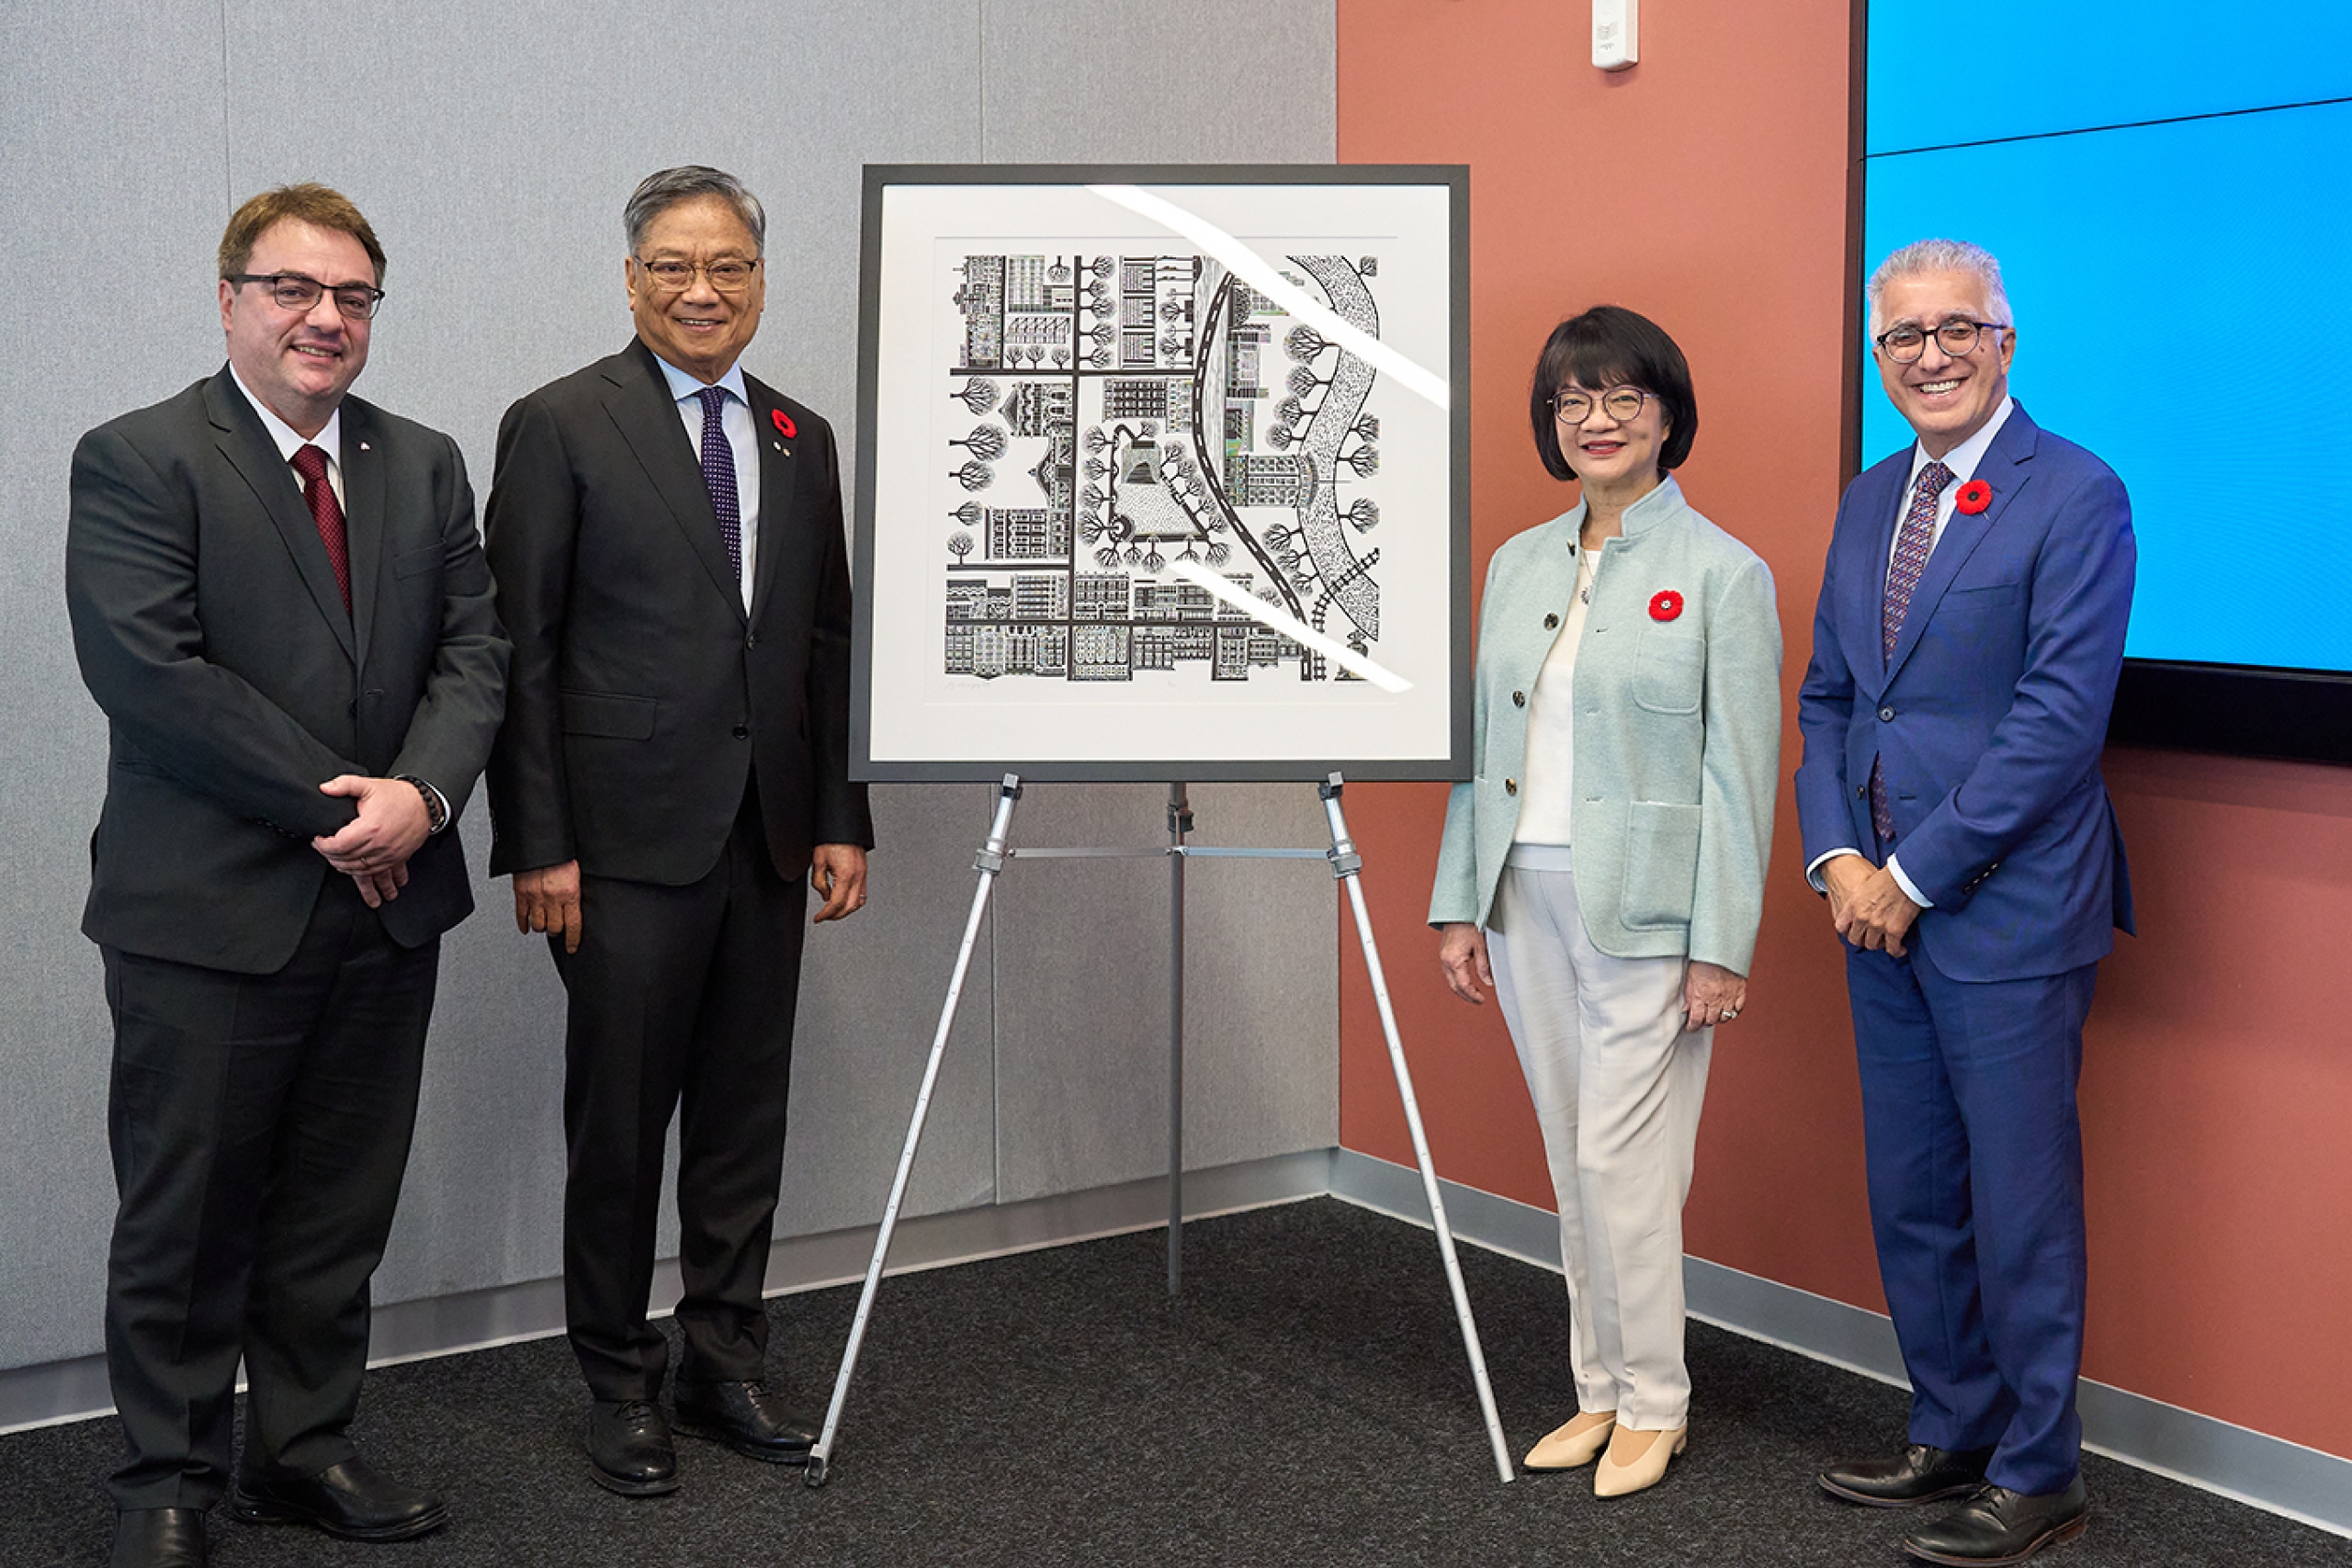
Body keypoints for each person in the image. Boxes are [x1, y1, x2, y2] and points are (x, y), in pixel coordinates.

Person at [63, 184, 508, 1568]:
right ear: (229, 300)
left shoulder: (424, 462)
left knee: (335, 1205)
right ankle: (166, 1484)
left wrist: (425, 798)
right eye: (294, 290)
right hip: (212, 911)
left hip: (386, 914)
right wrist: (355, 812)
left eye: (354, 297)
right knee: (187, 1218)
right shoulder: (141, 458)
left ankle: (303, 1450)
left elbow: (474, 657)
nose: (327, 318)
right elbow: (151, 675)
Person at [482, 164, 873, 1497]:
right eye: (674, 267)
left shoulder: (799, 436)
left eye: (731, 268)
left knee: (744, 1121)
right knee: (622, 1124)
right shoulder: (560, 423)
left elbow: (828, 642)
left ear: (761, 280)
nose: (703, 290)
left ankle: (725, 1357)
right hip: (619, 850)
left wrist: (840, 816)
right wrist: (538, 843)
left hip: (767, 841)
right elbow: (520, 651)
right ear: (631, 276)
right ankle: (619, 1378)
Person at [1797, 238, 2133, 1566]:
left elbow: (2058, 725)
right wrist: (1838, 864)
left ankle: (2041, 1470)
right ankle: (1953, 1428)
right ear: (1879, 357)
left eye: (1956, 331)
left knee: (2020, 1198)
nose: (1927, 356)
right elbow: (1832, 697)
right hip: (1868, 906)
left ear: (2006, 342)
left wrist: (1912, 874)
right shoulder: (1873, 493)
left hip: (2000, 910)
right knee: (1915, 1190)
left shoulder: (2078, 492)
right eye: (1901, 338)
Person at [1430, 306, 1781, 1498]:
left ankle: (1659, 1401)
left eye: (1623, 396)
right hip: (1524, 890)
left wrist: (1721, 942)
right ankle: (1598, 1391)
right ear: (1551, 421)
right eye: (1574, 400)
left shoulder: (1724, 574)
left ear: (1667, 414)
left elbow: (1739, 776)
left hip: (1653, 908)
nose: (1598, 418)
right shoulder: (1517, 563)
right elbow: (1487, 746)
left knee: (1625, 1163)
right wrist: (1457, 900)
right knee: (1571, 1159)